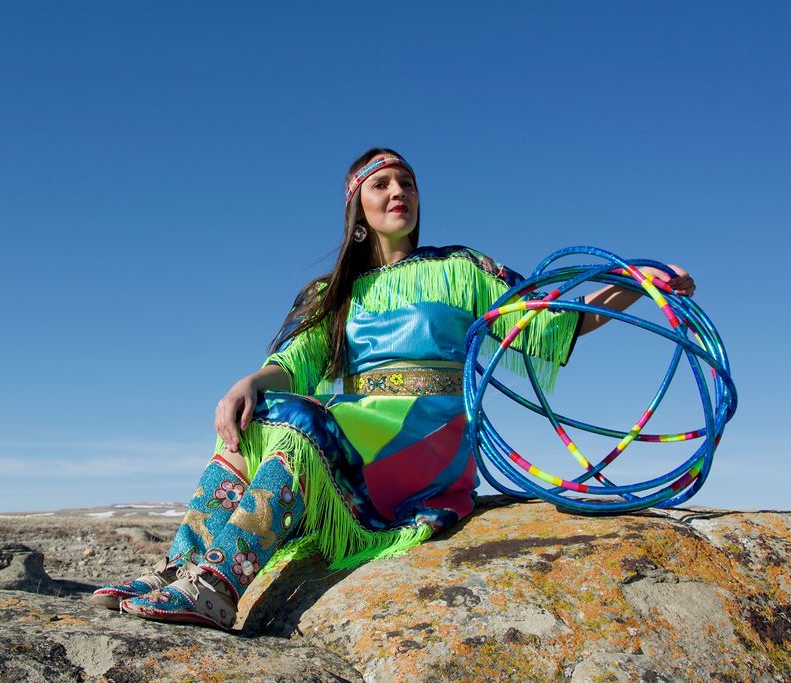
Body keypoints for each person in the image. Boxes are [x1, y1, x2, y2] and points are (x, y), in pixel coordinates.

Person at [90, 148, 696, 630]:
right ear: (358, 208)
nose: (397, 192)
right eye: (381, 185)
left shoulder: (463, 269)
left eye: (406, 182)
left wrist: (636, 284)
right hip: (353, 420)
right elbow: (292, 364)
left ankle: (219, 590)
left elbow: (555, 319)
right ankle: (184, 567)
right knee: (261, 415)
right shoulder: (330, 295)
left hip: (428, 435)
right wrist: (247, 383)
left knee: (304, 424)